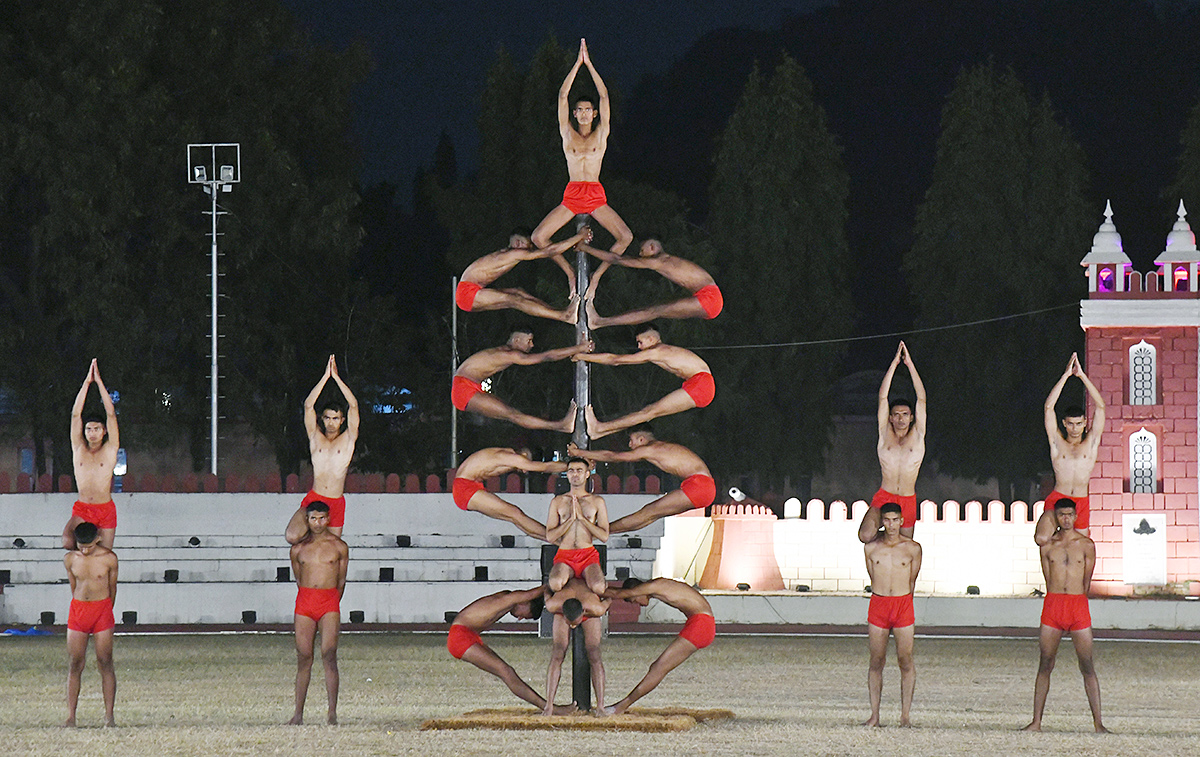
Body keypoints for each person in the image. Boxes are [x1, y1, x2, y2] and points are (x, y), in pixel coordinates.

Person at [531, 39, 632, 264]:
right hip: (573, 193)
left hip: (595, 193)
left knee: (626, 237)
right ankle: (569, 272)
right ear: (574, 114)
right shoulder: (568, 134)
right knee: (538, 237)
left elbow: (604, 96)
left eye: (588, 110)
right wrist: (577, 64)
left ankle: (596, 277)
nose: (584, 113)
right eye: (580, 110)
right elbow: (562, 96)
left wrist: (590, 65)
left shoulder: (601, 133)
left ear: (594, 114)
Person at [1023, 499, 1107, 733]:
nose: (1066, 519)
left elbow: (1087, 580)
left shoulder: (1086, 545)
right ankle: (1036, 721)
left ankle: (1098, 723)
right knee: (1045, 663)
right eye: (1062, 515)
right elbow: (1048, 576)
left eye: (1070, 514)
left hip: (1077, 605)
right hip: (1054, 604)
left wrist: (1077, 599)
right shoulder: (1048, 546)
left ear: (1076, 516)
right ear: (1056, 518)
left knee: (1087, 664)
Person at [447, 586, 576, 713]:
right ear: (525, 603)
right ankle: (551, 708)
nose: (519, 618)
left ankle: (549, 706)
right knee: (506, 672)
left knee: (507, 671)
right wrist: (556, 586)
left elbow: (529, 595)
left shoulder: (506, 599)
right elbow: (532, 594)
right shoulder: (509, 599)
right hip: (460, 636)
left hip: (469, 635)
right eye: (525, 615)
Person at [566, 426, 715, 534]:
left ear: (641, 439)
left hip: (699, 485)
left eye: (631, 441)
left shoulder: (650, 448)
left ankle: (599, 531)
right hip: (704, 486)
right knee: (649, 515)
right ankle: (602, 531)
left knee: (648, 512)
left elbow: (614, 456)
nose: (630, 445)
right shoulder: (659, 448)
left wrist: (579, 452)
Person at [576, 325, 714, 439]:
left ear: (651, 339)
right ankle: (599, 432)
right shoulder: (661, 350)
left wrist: (581, 356)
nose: (639, 347)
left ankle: (599, 428)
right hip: (702, 384)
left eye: (640, 342)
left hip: (701, 383)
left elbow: (616, 360)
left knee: (648, 412)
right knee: (648, 414)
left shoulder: (656, 351)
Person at [603, 577, 714, 714]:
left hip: (701, 625)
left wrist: (589, 589)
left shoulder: (653, 586)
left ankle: (620, 707)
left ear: (638, 590)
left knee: (658, 668)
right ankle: (621, 706)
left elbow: (617, 594)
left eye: (635, 600)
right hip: (700, 622)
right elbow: (621, 592)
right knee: (657, 667)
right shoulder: (656, 586)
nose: (638, 605)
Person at [452, 329, 592, 432]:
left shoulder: (504, 351)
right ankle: (561, 426)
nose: (532, 345)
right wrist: (579, 348)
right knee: (513, 415)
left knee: (511, 414)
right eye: (529, 341)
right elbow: (547, 356)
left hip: (467, 384)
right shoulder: (510, 354)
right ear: (517, 340)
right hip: (463, 388)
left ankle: (561, 426)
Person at [286, 356, 360, 545]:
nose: (331, 422)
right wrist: (326, 377)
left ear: (342, 420)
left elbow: (353, 405)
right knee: (292, 536)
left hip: (335, 500)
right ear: (322, 419)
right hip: (315, 497)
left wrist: (337, 378)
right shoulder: (315, 436)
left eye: (335, 418)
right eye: (327, 418)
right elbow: (308, 406)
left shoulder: (348, 439)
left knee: (331, 549)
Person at [858, 341, 926, 543]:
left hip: (907, 499)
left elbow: (921, 398)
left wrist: (910, 364)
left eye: (905, 414)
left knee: (904, 546)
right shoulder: (885, 433)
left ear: (911, 417)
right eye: (896, 414)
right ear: (890, 418)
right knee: (865, 535)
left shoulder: (918, 435)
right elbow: (882, 397)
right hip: (884, 495)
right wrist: (894, 364)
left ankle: (890, 543)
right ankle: (884, 542)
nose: (900, 418)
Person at [288, 502, 349, 726]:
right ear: (307, 520)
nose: (318, 523)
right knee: (304, 656)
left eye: (322, 518)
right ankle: (298, 714)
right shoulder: (298, 549)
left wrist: (330, 601)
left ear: (328, 519)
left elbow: (341, 580)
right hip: (305, 601)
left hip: (329, 600)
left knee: (329, 653)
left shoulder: (339, 547)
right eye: (313, 518)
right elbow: (298, 578)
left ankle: (332, 714)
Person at [862, 502, 922, 728]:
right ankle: (874, 716)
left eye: (895, 520)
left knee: (905, 660)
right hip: (879, 604)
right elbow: (872, 575)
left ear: (902, 521)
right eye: (887, 520)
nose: (891, 525)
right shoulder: (871, 548)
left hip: (902, 604)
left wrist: (903, 601)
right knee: (876, 660)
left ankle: (905, 716)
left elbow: (912, 580)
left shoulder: (912, 548)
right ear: (881, 522)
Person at [578, 238, 723, 328]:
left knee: (654, 311)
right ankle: (599, 322)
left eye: (642, 250)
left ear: (652, 247)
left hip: (710, 298)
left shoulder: (659, 261)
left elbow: (617, 259)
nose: (640, 255)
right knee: (655, 310)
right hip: (709, 297)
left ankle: (599, 322)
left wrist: (585, 248)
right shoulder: (665, 260)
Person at [456, 229, 591, 322]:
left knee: (518, 292)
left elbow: (548, 252)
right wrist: (579, 236)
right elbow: (549, 252)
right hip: (466, 292)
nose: (522, 246)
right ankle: (563, 316)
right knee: (513, 300)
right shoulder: (512, 253)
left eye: (526, 246)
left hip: (470, 292)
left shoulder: (512, 252)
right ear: (516, 240)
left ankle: (562, 312)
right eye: (521, 242)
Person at [1038, 353, 1105, 539]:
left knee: (1080, 547)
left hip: (1080, 501)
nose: (1075, 428)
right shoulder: (1058, 443)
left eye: (1078, 423)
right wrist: (1065, 376)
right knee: (1043, 538)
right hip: (1059, 496)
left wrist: (1082, 376)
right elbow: (1048, 408)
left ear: (1084, 423)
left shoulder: (1090, 443)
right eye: (1070, 424)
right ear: (1064, 424)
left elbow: (1100, 407)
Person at [63, 521, 118, 727]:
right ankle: (71, 716)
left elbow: (112, 587)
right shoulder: (70, 559)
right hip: (78, 611)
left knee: (105, 661)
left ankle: (109, 716)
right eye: (81, 546)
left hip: (101, 610)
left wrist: (106, 610)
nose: (85, 551)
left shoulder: (109, 558)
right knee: (75, 663)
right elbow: (73, 586)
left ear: (98, 539)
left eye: (89, 546)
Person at [452, 447, 568, 539]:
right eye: (527, 462)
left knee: (514, 516)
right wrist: (571, 466)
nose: (524, 471)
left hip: (467, 485)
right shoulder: (514, 458)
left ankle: (556, 541)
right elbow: (545, 467)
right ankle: (558, 539)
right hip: (465, 488)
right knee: (515, 514)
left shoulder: (505, 453)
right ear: (524, 455)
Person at [64, 359, 119, 550]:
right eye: (89, 429)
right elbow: (75, 415)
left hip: (104, 508)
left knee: (105, 554)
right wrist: (87, 383)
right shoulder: (79, 448)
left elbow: (111, 414)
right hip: (83, 507)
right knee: (67, 541)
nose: (92, 432)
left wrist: (99, 382)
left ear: (104, 431)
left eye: (97, 429)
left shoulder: (110, 449)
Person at [543, 579, 608, 717]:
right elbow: (546, 591)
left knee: (594, 654)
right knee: (557, 654)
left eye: (574, 623)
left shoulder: (596, 608)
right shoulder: (553, 605)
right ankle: (549, 705)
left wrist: (602, 588)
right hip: (565, 604)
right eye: (570, 623)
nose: (573, 626)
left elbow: (608, 598)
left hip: (588, 604)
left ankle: (600, 706)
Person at [546, 457, 609, 596]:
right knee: (555, 583)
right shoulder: (558, 501)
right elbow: (550, 537)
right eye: (571, 471)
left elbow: (604, 536)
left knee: (599, 587)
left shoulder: (597, 501)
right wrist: (570, 520)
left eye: (579, 470)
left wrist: (582, 518)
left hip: (588, 554)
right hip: (565, 554)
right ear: (567, 474)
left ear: (587, 474)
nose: (575, 474)